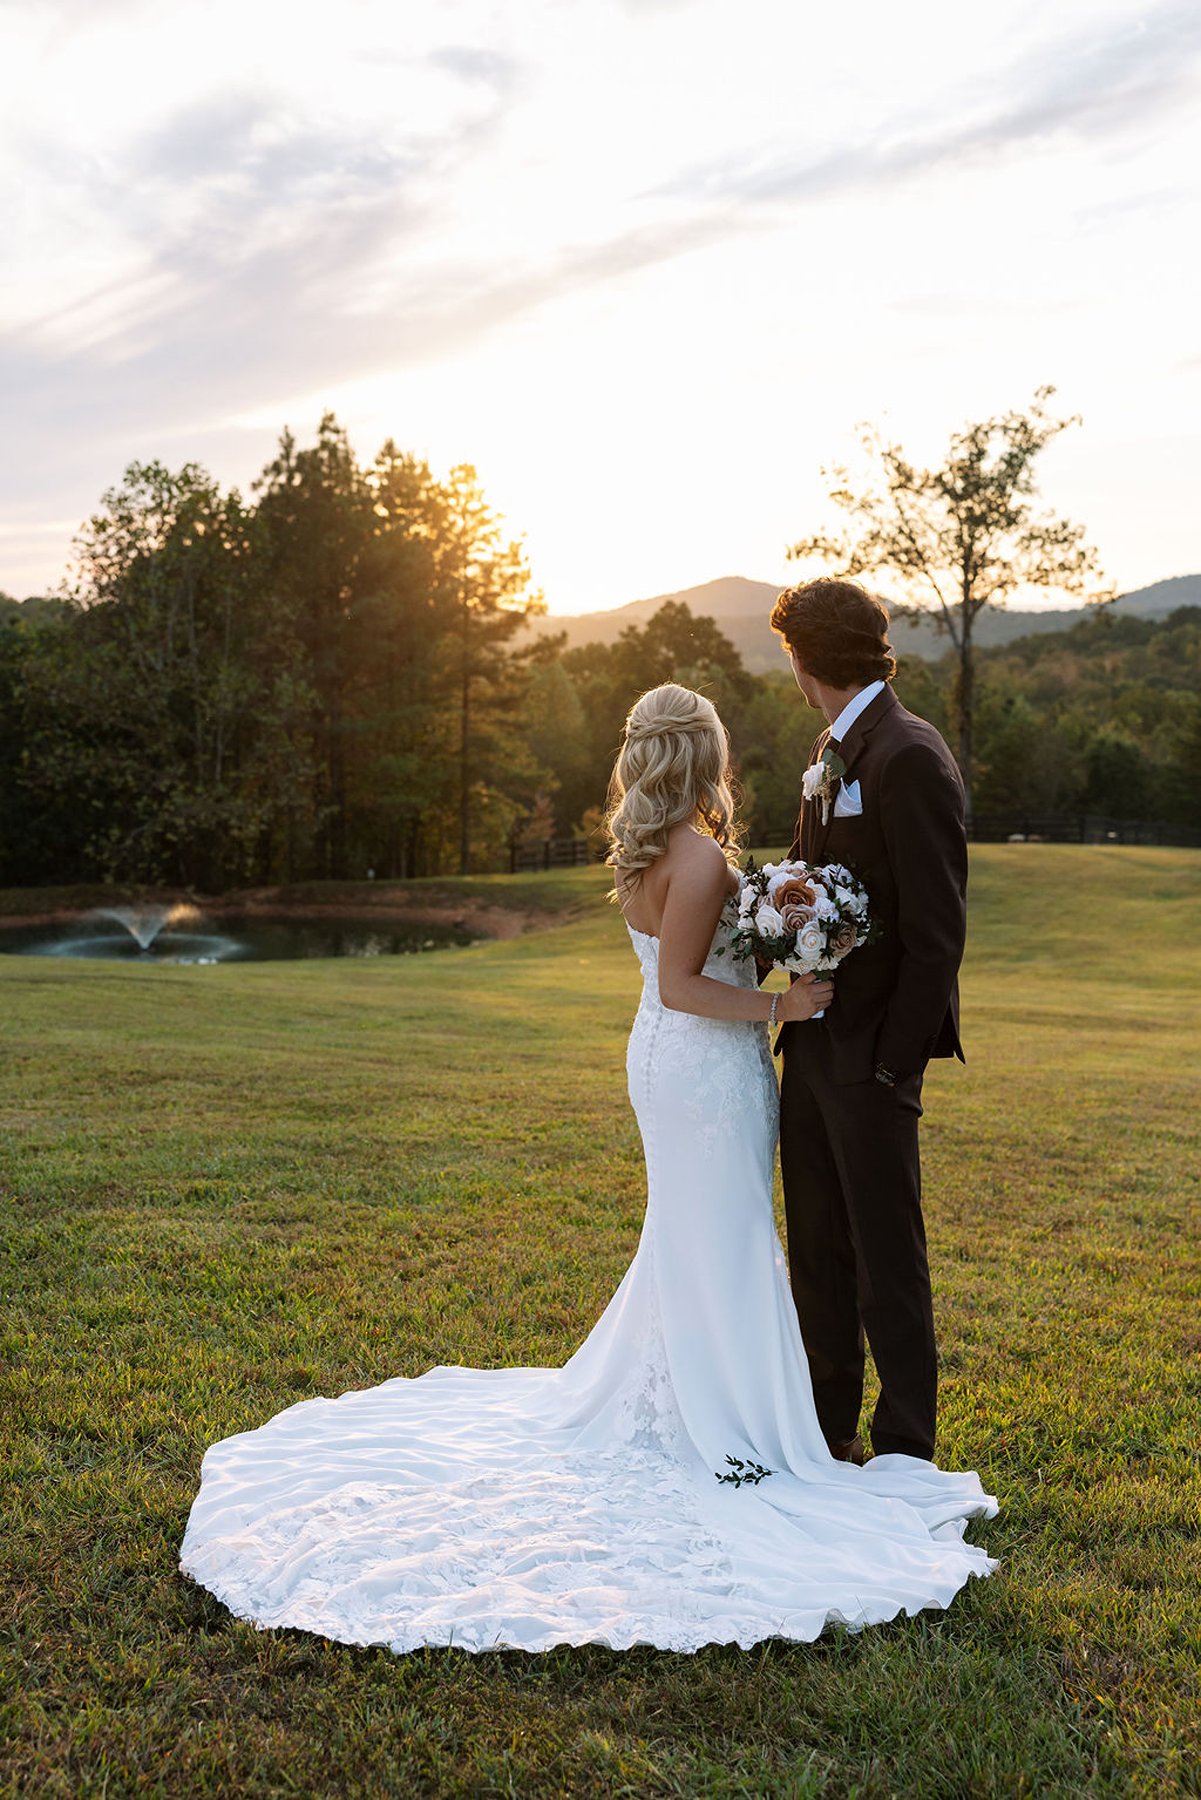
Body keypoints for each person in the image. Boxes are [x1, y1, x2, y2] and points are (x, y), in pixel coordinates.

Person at [180, 682, 994, 1655]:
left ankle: (700, 1394)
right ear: (703, 760)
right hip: (702, 1069)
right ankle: (724, 1426)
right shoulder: (693, 860)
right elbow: (688, 985)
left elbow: (687, 972)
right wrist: (786, 1006)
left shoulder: (654, 847)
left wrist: (783, 927)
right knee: (726, 1238)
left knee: (698, 1240)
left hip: (673, 1062)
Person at [770, 578, 968, 1468]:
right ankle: (826, 1428)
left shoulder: (908, 755)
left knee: (887, 1256)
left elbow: (935, 936)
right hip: (810, 1039)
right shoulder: (827, 751)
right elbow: (817, 879)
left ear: (807, 659)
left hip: (873, 1057)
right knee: (815, 1245)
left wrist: (894, 1065)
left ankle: (904, 1446)